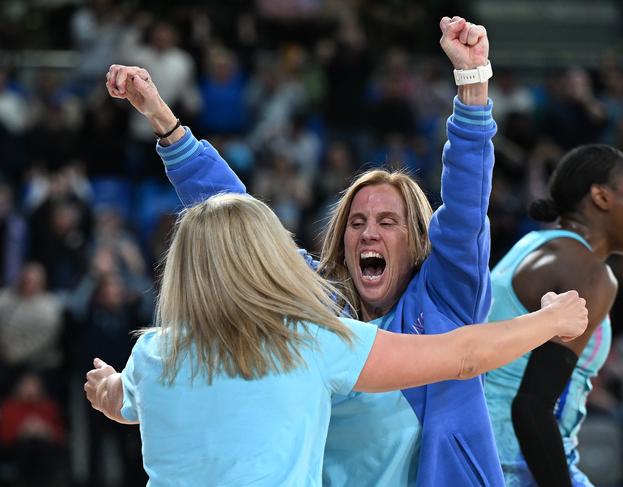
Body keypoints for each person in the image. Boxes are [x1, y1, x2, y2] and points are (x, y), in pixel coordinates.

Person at [105, 16, 505, 486]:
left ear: (419, 242)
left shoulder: (446, 298)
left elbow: (464, 207)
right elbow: (235, 223)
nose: (369, 233)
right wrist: (164, 121)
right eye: (356, 222)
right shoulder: (312, 306)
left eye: (387, 222)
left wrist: (473, 82)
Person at [85, 192, 589, 487]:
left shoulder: (153, 353)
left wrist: (108, 385)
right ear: (265, 260)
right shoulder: (309, 343)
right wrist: (549, 321)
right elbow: (462, 356)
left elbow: (118, 402)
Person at [484, 144, 623, 486]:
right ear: (601, 197)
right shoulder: (587, 272)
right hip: (510, 465)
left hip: (481, 453)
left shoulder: (534, 243)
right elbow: (530, 408)